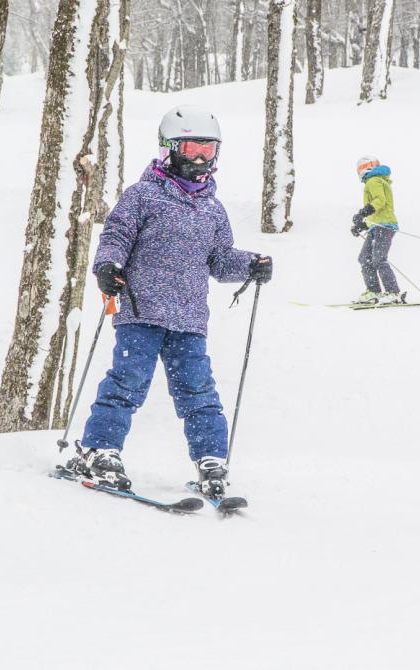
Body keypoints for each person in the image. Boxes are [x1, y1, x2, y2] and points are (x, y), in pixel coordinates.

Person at [76, 104, 272, 497]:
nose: (201, 158)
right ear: (169, 149)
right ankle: (101, 449)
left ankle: (210, 458)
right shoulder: (142, 196)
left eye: (209, 150)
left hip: (188, 319)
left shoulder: (212, 209)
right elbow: (116, 234)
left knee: (198, 390)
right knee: (127, 382)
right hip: (141, 311)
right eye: (191, 149)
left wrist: (250, 265)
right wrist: (108, 265)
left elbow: (219, 260)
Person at [350, 156, 405, 305]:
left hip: (384, 226)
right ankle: (374, 291)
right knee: (364, 258)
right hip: (377, 226)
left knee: (378, 259)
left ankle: (393, 293)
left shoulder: (373, 180)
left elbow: (379, 201)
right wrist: (362, 226)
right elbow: (377, 212)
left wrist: (362, 212)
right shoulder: (376, 180)